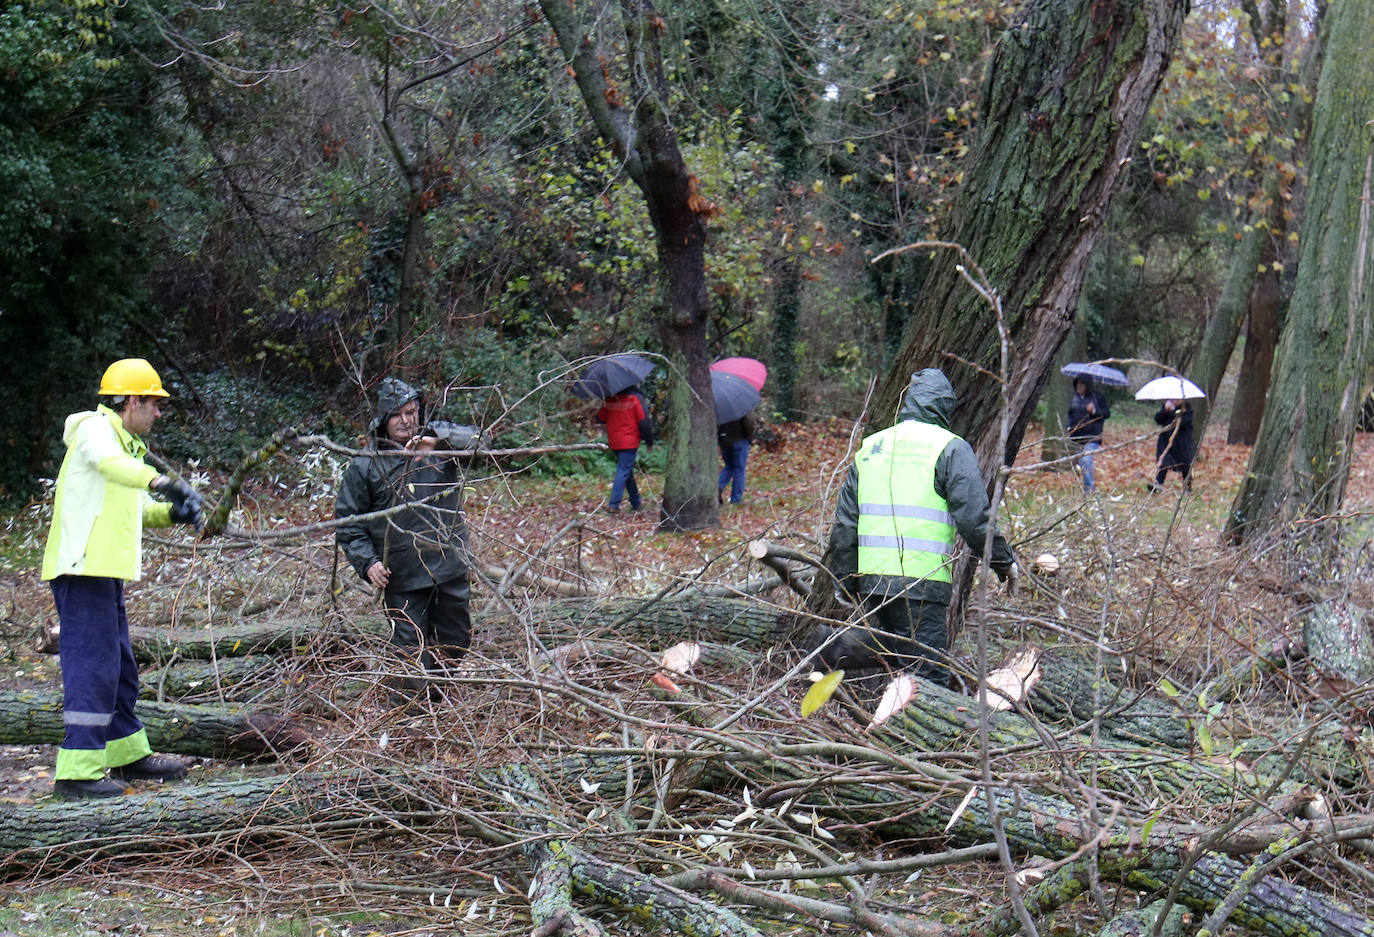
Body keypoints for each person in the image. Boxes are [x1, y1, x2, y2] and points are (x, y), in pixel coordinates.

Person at [40, 358, 202, 799]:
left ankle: (126, 753)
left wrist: (172, 510)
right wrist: (162, 481)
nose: (159, 412)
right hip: (82, 568)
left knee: (119, 665)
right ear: (132, 401)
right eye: (154, 403)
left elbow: (132, 511)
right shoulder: (97, 431)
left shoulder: (124, 445)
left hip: (102, 571)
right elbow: (112, 467)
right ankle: (78, 772)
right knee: (92, 668)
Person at [822, 369, 1018, 682]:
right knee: (927, 677)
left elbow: (845, 524)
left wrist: (844, 579)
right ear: (944, 407)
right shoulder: (950, 448)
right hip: (922, 584)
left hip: (872, 582)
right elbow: (974, 519)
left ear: (908, 402)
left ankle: (823, 651)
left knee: (887, 660)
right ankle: (914, 725)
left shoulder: (872, 448)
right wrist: (1003, 561)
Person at [336, 378, 481, 691]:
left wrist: (438, 441)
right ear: (384, 420)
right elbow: (348, 521)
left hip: (449, 564)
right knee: (409, 651)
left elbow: (485, 443)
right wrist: (368, 562)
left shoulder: (441, 443)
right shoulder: (366, 464)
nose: (407, 420)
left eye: (412, 411)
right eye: (398, 414)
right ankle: (412, 717)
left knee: (454, 641)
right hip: (401, 575)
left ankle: (438, 699)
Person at [595, 385, 653, 513]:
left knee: (627, 471)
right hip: (629, 442)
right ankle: (614, 504)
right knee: (623, 470)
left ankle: (635, 501)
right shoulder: (635, 398)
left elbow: (601, 418)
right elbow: (644, 422)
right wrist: (649, 441)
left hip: (614, 441)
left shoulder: (610, 399)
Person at [1066, 378, 1110, 492]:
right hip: (1077, 437)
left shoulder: (1097, 398)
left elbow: (1106, 414)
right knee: (1081, 463)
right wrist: (1069, 427)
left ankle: (1090, 489)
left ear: (1087, 385)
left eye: (1082, 384)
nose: (1079, 387)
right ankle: (1085, 487)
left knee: (1086, 460)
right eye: (1078, 384)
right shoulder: (1074, 398)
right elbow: (1070, 414)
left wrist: (1094, 410)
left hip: (1092, 436)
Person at [1149, 399, 1194, 491]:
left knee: (1185, 465)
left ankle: (1187, 485)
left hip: (1181, 442)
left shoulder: (1188, 410)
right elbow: (1158, 420)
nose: (1175, 401)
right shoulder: (1166, 407)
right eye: (1173, 399)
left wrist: (1174, 411)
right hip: (1166, 439)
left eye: (1178, 399)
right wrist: (1165, 410)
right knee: (1163, 462)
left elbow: (1182, 422)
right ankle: (1158, 484)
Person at [716, 412, 755, 505]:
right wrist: (749, 436)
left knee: (729, 467)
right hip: (739, 439)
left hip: (724, 441)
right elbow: (749, 423)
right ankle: (736, 499)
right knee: (739, 469)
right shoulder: (740, 407)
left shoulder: (717, 407)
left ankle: (717, 487)